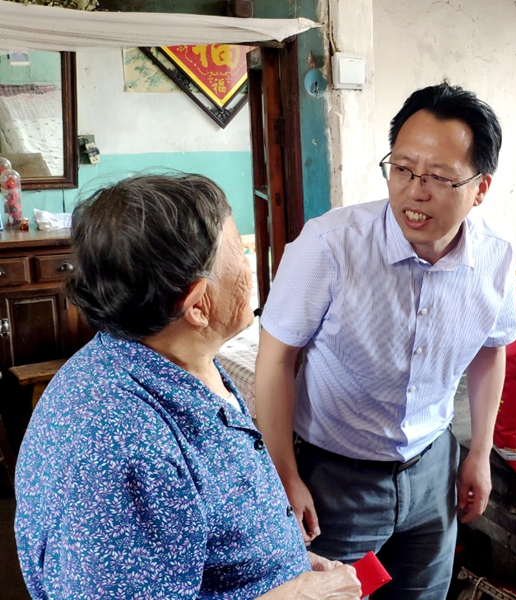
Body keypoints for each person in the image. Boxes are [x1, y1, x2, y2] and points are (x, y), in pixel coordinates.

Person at [14, 173, 361, 600]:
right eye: (240, 253)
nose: (249, 265)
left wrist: (283, 563)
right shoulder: (121, 447)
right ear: (198, 304)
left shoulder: (176, 360)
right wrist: (298, 595)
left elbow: (195, 533)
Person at [255, 83, 516, 599]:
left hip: (432, 471)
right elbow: (275, 358)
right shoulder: (329, 245)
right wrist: (284, 472)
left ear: (480, 188)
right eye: (402, 168)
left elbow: (491, 350)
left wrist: (480, 453)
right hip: (333, 479)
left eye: (439, 177)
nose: (415, 191)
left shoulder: (496, 254)